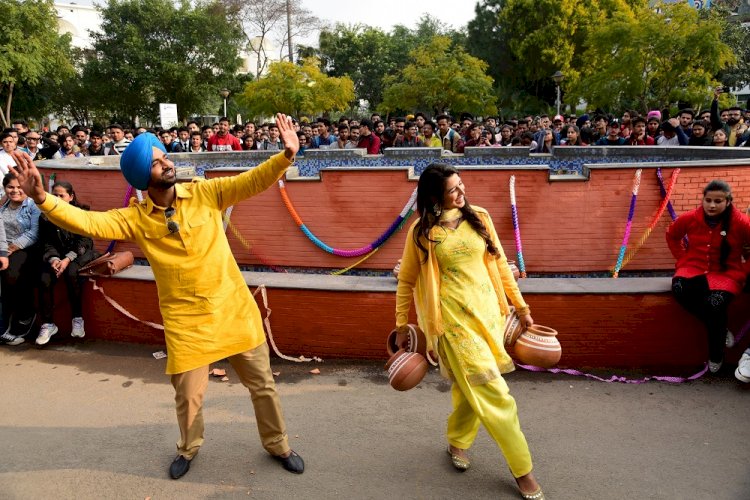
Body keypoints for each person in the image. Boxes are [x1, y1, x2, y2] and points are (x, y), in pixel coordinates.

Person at [8, 113, 305, 479]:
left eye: (165, 157)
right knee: (188, 396)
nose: (167, 163)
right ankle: (188, 449)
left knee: (263, 386)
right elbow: (88, 222)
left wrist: (286, 155)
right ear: (141, 177)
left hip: (234, 310)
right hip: (186, 322)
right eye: (157, 162)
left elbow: (252, 181)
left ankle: (279, 445)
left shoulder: (205, 192)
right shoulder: (135, 218)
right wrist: (40, 197)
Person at [394, 164, 544, 500]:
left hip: (488, 317)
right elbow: (406, 280)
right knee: (495, 393)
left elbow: (502, 265)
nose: (461, 195)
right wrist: (402, 324)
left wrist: (522, 309)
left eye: (462, 186)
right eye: (453, 191)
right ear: (435, 196)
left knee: (469, 387)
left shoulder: (480, 217)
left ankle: (457, 442)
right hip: (452, 325)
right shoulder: (422, 232)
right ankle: (524, 472)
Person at [666, 180, 750, 373]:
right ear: (703, 200)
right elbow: (672, 235)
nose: (712, 205)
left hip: (727, 273)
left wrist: (745, 270)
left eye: (718, 201)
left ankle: (716, 354)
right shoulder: (690, 218)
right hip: (692, 268)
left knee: (716, 303)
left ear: (728, 202)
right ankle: (721, 332)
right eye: (708, 200)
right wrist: (682, 258)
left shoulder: (741, 222)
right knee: (679, 289)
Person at [35, 181, 96, 345]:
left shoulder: (80, 213)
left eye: (61, 195)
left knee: (71, 274)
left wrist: (67, 259)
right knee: (44, 278)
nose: (57, 198)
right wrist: (54, 259)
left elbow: (84, 241)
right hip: (56, 256)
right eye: (54, 195)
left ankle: (77, 318)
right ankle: (48, 323)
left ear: (70, 197)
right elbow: (46, 242)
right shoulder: (45, 216)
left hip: (79, 254)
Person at [0, 173, 41, 345]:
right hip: (4, 249)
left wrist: (11, 248)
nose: (15, 191)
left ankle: (23, 319)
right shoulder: (3, 205)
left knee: (12, 275)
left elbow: (33, 233)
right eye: (11, 187)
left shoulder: (32, 206)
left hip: (25, 249)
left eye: (19, 187)